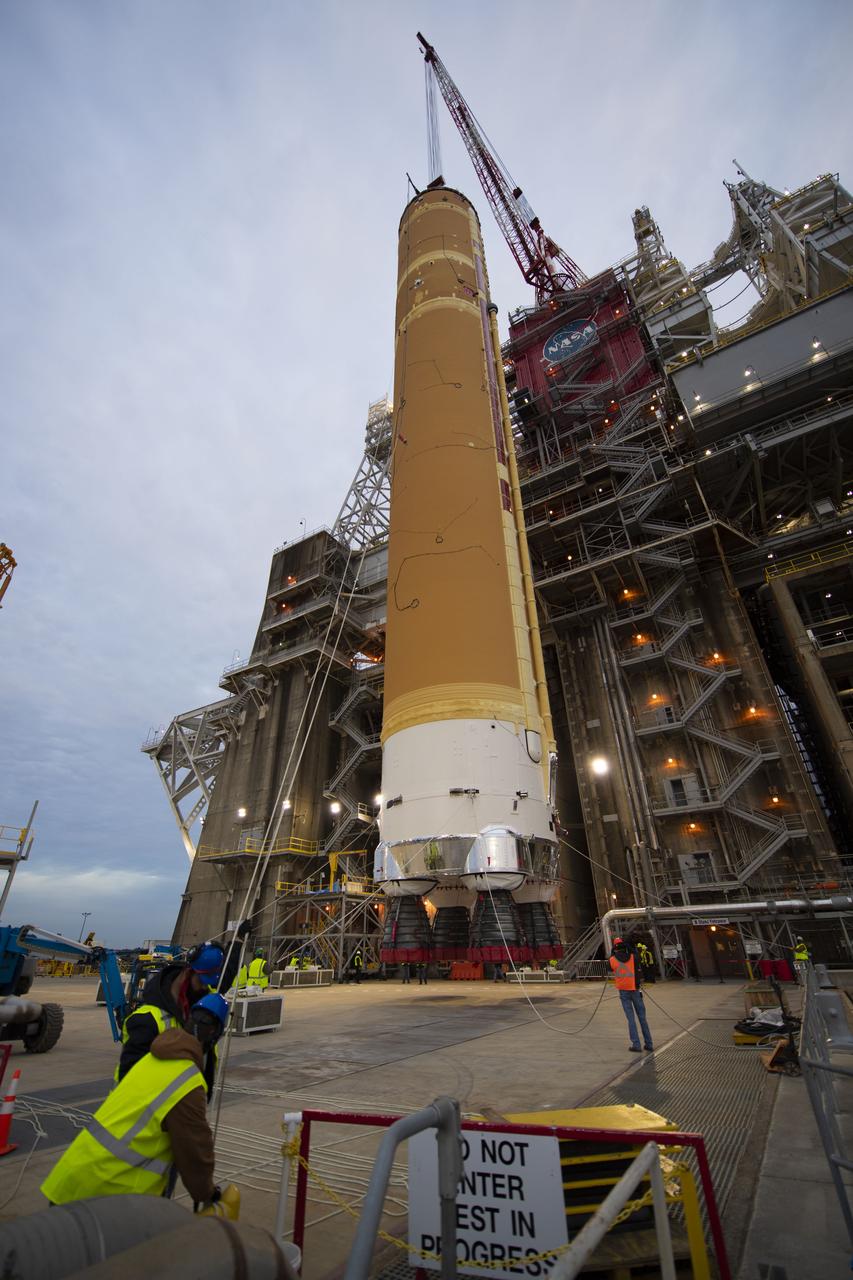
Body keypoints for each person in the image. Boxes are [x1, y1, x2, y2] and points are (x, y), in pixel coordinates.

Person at [42, 993, 229, 1206]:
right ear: (214, 1035)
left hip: (74, 1175)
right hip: (109, 1191)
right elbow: (194, 1150)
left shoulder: (151, 1059)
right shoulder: (188, 1082)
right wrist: (207, 1193)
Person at [117, 927, 248, 1092]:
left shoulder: (201, 996)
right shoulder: (147, 1020)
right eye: (202, 981)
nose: (205, 987)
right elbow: (130, 1080)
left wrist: (238, 941)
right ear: (189, 972)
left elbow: (225, 976)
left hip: (190, 1096)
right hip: (163, 1102)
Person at [609, 935, 654, 1054]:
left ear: (614, 947)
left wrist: (612, 952)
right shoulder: (633, 957)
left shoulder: (612, 960)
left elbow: (609, 966)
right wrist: (630, 948)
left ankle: (636, 1044)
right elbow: (637, 956)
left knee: (631, 1019)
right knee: (642, 1018)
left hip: (623, 992)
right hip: (635, 990)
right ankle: (649, 1043)